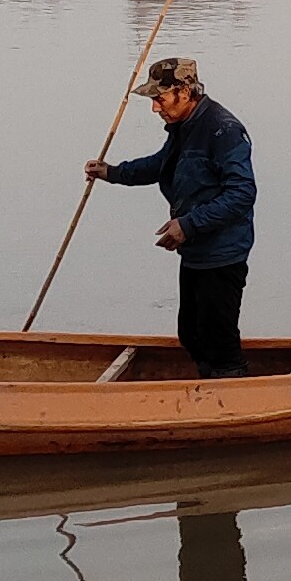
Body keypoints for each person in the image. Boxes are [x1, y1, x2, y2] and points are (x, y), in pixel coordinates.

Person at [86, 57, 258, 376]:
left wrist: (188, 224)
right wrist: (112, 172)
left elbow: (242, 193)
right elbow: (161, 164)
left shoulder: (223, 130)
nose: (155, 108)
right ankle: (208, 391)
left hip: (222, 254)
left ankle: (232, 400)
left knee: (218, 341)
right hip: (195, 253)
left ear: (184, 91)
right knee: (191, 334)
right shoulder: (183, 128)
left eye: (159, 98)